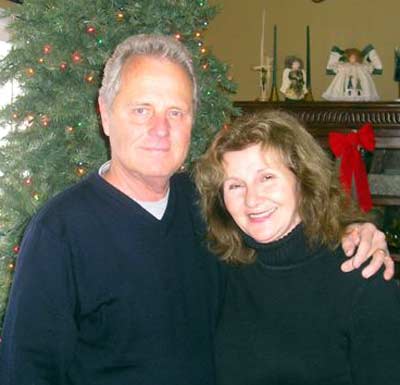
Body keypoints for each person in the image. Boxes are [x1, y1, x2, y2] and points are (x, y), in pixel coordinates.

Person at [0, 34, 393, 385]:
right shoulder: (60, 231)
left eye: (176, 112)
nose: (160, 129)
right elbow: (27, 370)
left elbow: (286, 237)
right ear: (105, 113)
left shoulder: (207, 204)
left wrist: (354, 230)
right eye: (141, 109)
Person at [194, 110, 400, 385]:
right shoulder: (221, 269)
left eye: (266, 177)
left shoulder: (362, 277)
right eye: (235, 186)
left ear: (302, 181)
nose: (252, 200)